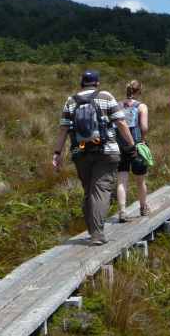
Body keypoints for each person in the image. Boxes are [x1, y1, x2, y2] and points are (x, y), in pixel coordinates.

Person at [52, 70, 138, 245]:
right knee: (100, 191)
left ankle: (93, 231)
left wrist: (57, 153)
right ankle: (97, 234)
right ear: (97, 83)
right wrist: (131, 145)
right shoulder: (106, 96)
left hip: (80, 152)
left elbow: (63, 129)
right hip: (107, 151)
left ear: (81, 83)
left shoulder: (71, 101)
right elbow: (121, 122)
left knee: (89, 191)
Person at [116, 80, 149, 222]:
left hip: (119, 145)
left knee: (122, 179)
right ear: (139, 91)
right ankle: (143, 207)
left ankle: (122, 211)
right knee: (140, 180)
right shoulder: (141, 106)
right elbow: (144, 126)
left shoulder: (117, 105)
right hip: (136, 145)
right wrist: (143, 139)